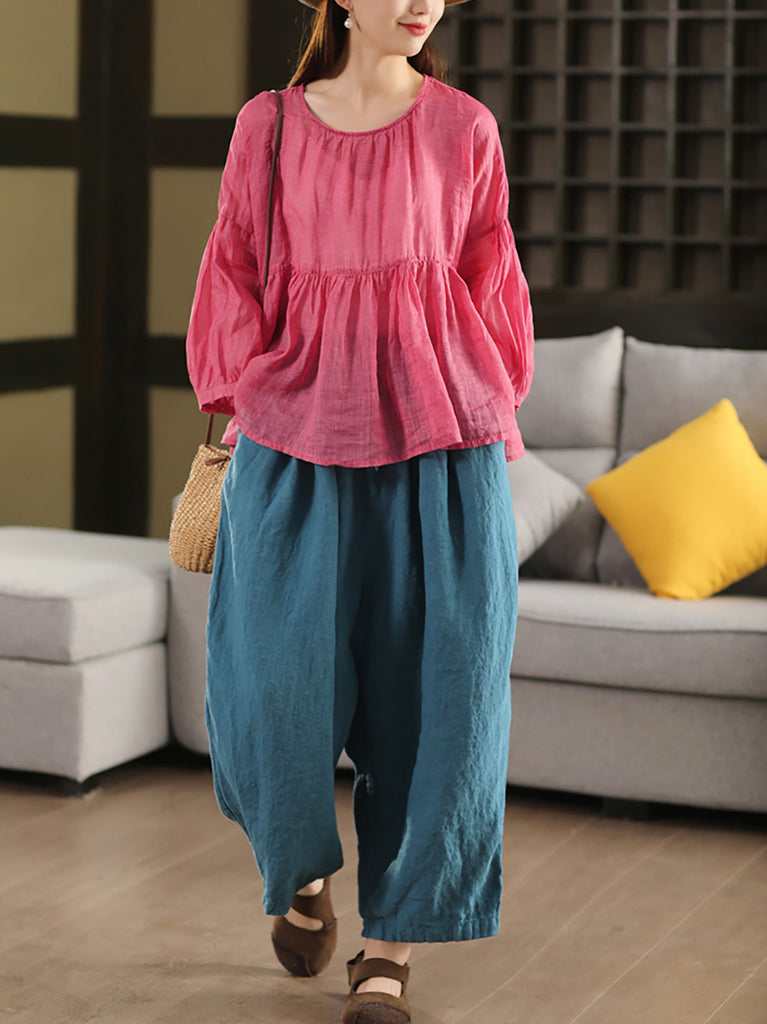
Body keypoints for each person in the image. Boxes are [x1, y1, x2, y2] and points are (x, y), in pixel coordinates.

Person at [185, 1, 534, 1020]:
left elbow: (489, 276)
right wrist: (244, 397)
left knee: (442, 703)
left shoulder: (465, 127)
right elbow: (232, 266)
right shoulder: (268, 125)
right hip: (293, 437)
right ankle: (301, 870)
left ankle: (390, 945)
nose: (421, 1)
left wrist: (488, 401)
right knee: (272, 695)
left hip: (444, 445)